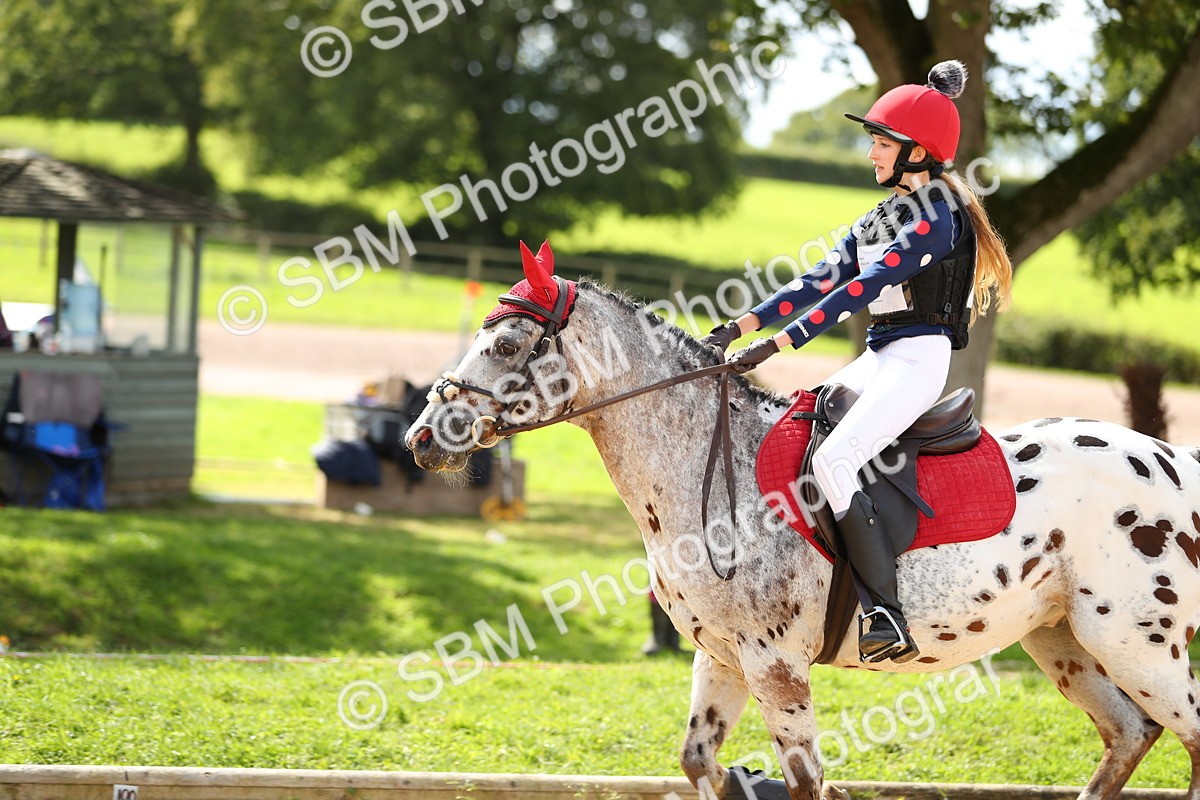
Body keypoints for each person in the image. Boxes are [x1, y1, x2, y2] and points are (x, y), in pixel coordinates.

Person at [701, 60, 1012, 663]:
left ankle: (885, 615)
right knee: (799, 424)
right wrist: (738, 328)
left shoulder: (938, 217)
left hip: (918, 361)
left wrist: (778, 345)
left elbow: (864, 288)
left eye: (881, 141)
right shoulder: (880, 216)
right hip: (881, 356)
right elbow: (821, 279)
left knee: (838, 456)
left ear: (916, 152)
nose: (871, 152)